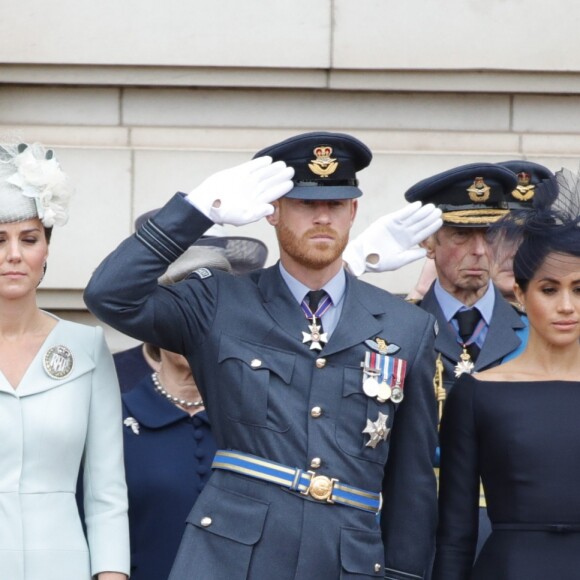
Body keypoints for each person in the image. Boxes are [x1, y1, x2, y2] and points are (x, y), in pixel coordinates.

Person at [85, 131, 439, 580]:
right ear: (273, 211)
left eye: (335, 204)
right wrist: (194, 212)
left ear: (353, 210)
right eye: (306, 204)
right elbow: (110, 297)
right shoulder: (219, 303)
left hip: (345, 561)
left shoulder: (404, 325)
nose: (322, 218)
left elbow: (412, 481)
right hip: (233, 558)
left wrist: (404, 574)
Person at [432, 170, 580, 580]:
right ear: (520, 292)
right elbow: (456, 535)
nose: (566, 306)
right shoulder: (478, 393)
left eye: (579, 289)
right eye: (549, 289)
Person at [0, 142, 129, 579]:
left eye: (29, 239)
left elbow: (106, 494)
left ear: (46, 250)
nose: (14, 254)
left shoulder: (85, 347)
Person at [122, 233, 271, 580]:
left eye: (207, 307)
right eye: (178, 304)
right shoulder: (115, 417)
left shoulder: (260, 418)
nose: (191, 321)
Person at [113, 209, 269, 392]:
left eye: (210, 294)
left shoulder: (257, 379)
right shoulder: (114, 376)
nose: (194, 309)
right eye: (178, 292)